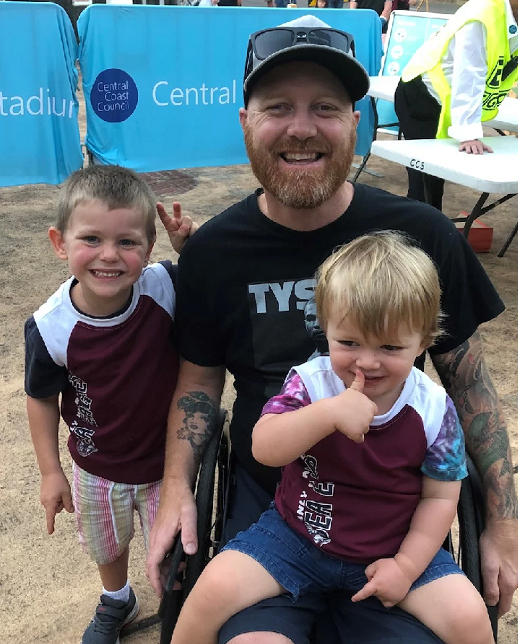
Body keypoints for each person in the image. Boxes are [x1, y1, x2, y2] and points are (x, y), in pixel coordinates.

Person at [148, 14, 518, 644]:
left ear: (355, 121)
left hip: (396, 521)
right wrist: (177, 489)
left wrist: (504, 525)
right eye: (277, 107)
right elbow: (199, 383)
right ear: (246, 122)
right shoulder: (213, 251)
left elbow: (470, 386)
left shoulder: (424, 236)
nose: (301, 127)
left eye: (325, 106)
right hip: (273, 509)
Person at [169, 232, 495, 644]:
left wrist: (407, 567)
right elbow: (265, 447)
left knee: (470, 618)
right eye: (349, 342)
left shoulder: (433, 408)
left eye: (391, 346)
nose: (367, 361)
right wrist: (326, 413)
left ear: (424, 343)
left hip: (392, 546)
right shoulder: (310, 384)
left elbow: (439, 496)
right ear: (326, 329)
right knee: (211, 591)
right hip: (296, 537)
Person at [24, 165, 195, 644]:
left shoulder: (166, 287)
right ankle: (117, 599)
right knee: (107, 544)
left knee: (174, 550)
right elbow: (40, 399)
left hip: (167, 463)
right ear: (60, 243)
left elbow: (212, 289)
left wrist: (193, 251)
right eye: (91, 239)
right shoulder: (50, 326)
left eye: (127, 242)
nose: (109, 256)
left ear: (149, 247)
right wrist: (50, 472)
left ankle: (176, 602)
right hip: (96, 466)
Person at [394, 0, 518, 211]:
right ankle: (417, 239)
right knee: (427, 181)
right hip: (422, 96)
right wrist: (468, 132)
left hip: (451, 101)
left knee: (434, 181)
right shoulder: (481, 14)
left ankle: (428, 234)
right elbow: (469, 73)